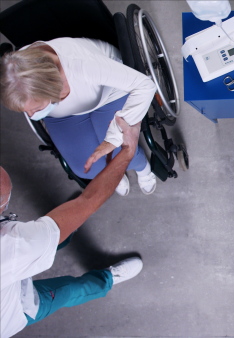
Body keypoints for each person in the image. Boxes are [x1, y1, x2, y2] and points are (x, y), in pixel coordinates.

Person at [0, 117, 144, 338]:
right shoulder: (14, 247)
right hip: (17, 307)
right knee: (70, 291)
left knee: (50, 233)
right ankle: (108, 278)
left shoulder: (16, 245)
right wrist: (127, 151)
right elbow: (87, 202)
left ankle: (64, 230)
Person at [0, 37, 157, 195]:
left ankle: (142, 167)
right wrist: (38, 105)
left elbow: (145, 86)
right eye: (25, 111)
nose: (32, 115)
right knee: (83, 169)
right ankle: (115, 174)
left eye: (36, 108)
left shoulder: (82, 65)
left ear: (51, 88)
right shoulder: (16, 74)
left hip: (108, 95)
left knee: (121, 153)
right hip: (64, 114)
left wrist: (113, 137)